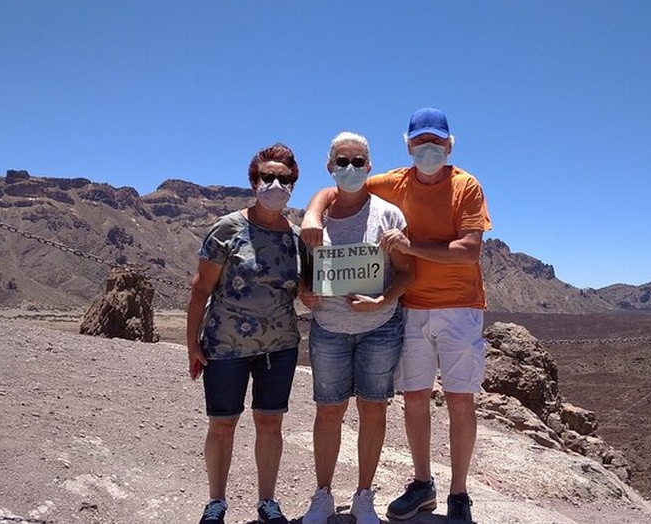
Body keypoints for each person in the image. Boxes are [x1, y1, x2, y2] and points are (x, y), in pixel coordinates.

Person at [301, 108, 491, 524]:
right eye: (420, 143)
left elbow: (470, 250)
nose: (428, 150)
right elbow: (337, 190)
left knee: (460, 401)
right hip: (411, 311)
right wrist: (313, 212)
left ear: (449, 145)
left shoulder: (465, 186)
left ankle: (459, 494)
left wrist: (409, 247)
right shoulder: (390, 183)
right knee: (414, 399)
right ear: (407, 145)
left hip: (459, 307)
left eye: (436, 143)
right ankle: (423, 483)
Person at [299, 132, 415, 524]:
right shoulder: (315, 219)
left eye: (359, 161)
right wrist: (304, 292)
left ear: (370, 166)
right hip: (329, 328)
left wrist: (383, 301)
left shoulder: (388, 215)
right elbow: (304, 273)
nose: (351, 168)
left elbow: (405, 272)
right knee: (328, 413)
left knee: (372, 411)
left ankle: (364, 495)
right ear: (330, 167)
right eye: (343, 162)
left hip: (379, 329)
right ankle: (323, 495)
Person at [186, 143, 304, 524]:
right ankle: (216, 502)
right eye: (267, 177)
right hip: (225, 344)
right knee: (222, 423)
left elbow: (305, 289)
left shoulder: (298, 236)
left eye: (283, 179)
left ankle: (267, 502)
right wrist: (192, 342)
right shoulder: (226, 229)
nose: (275, 184)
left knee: (270, 423)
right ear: (253, 181)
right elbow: (201, 288)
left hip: (280, 346)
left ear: (293, 184)